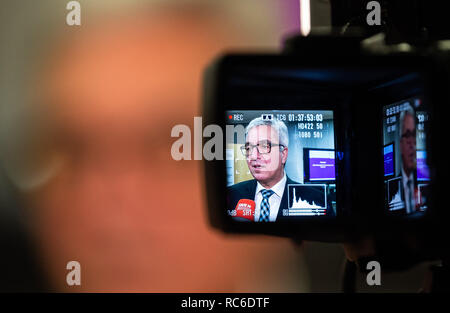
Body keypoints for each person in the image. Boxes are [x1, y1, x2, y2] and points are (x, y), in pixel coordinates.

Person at [227, 117, 299, 222]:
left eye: (264, 146)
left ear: (283, 154)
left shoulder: (315, 199)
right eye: (248, 148)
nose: (253, 156)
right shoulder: (231, 195)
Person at [399, 106, 418, 214]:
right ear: (400, 143)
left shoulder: (424, 183)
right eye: (407, 135)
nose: (412, 143)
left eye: (414, 135)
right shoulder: (392, 190)